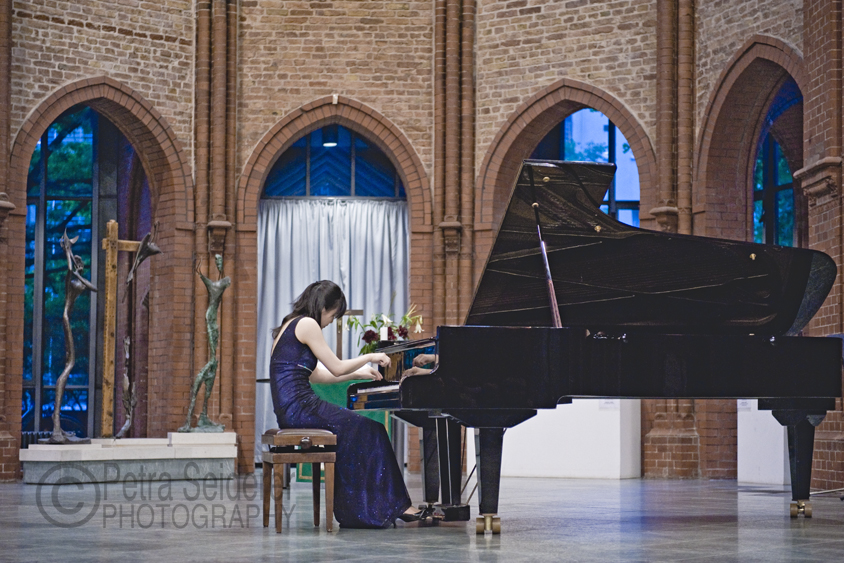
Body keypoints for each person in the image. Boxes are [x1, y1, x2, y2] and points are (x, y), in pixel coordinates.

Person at [269, 280, 428, 528]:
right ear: (323, 307)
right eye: (333, 315)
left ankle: (358, 510)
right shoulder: (308, 324)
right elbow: (335, 366)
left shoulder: (289, 326)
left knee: (358, 431)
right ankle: (391, 507)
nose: (331, 321)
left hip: (292, 409)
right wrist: (371, 357)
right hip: (301, 407)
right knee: (372, 430)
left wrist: (358, 373)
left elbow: (318, 375)